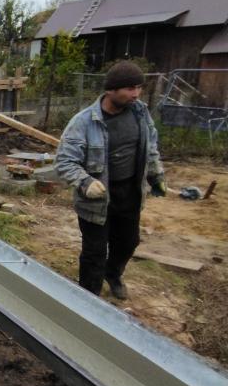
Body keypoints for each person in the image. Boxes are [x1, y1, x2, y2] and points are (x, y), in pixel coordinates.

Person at [55, 60, 166, 300]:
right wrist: (85, 182)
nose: (135, 94)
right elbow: (65, 162)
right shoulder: (84, 122)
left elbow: (150, 147)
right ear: (110, 90)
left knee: (128, 242)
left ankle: (113, 274)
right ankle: (89, 297)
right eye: (129, 89)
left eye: (138, 87)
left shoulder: (140, 113)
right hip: (96, 198)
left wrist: (156, 175)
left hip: (130, 192)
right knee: (94, 251)